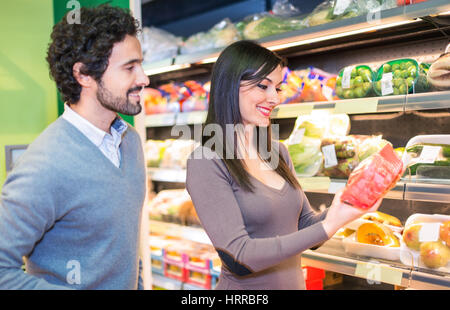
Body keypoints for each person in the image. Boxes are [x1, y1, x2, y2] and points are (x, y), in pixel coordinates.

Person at [186, 40, 382, 290]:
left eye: (277, 88)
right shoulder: (207, 161)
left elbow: (305, 228)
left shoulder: (277, 152)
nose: (274, 98)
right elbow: (238, 257)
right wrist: (327, 226)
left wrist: (344, 208)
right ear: (230, 86)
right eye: (262, 86)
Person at [0, 5, 149, 289]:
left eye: (140, 64)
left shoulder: (131, 142)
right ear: (83, 75)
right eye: (130, 67)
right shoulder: (45, 164)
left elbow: (126, 249)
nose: (144, 78)